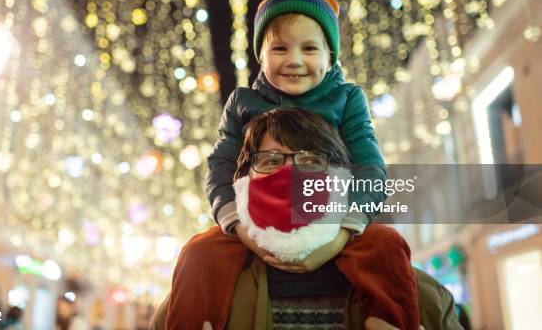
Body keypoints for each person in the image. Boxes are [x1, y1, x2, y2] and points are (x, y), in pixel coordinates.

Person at [163, 108, 427, 330]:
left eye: (310, 160)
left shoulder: (407, 281)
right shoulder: (200, 266)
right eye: (270, 161)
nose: (290, 173)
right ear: (245, 178)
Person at [206, 0, 386, 241]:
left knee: (387, 246)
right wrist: (233, 218)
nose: (294, 60)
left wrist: (350, 222)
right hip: (257, 220)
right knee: (200, 253)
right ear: (261, 56)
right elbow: (221, 164)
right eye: (279, 48)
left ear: (330, 56)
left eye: (310, 48)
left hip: (333, 219)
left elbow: (369, 165)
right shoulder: (242, 103)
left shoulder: (346, 99)